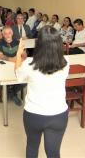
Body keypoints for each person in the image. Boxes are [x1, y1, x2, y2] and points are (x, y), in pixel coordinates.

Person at [15, 26, 69, 158]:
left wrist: (19, 54)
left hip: (33, 115)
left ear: (38, 44)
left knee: (32, 148)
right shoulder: (66, 63)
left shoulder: (29, 64)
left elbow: (18, 75)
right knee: (53, 153)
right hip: (59, 115)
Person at [0, 27, 27, 106]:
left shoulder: (18, 42)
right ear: (3, 34)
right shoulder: (0, 43)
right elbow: (0, 57)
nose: (7, 35)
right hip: (4, 67)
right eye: (5, 33)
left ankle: (10, 91)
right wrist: (15, 59)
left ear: (12, 33)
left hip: (17, 66)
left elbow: (24, 56)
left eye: (9, 33)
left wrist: (18, 59)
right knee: (1, 81)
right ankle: (13, 94)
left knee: (25, 81)